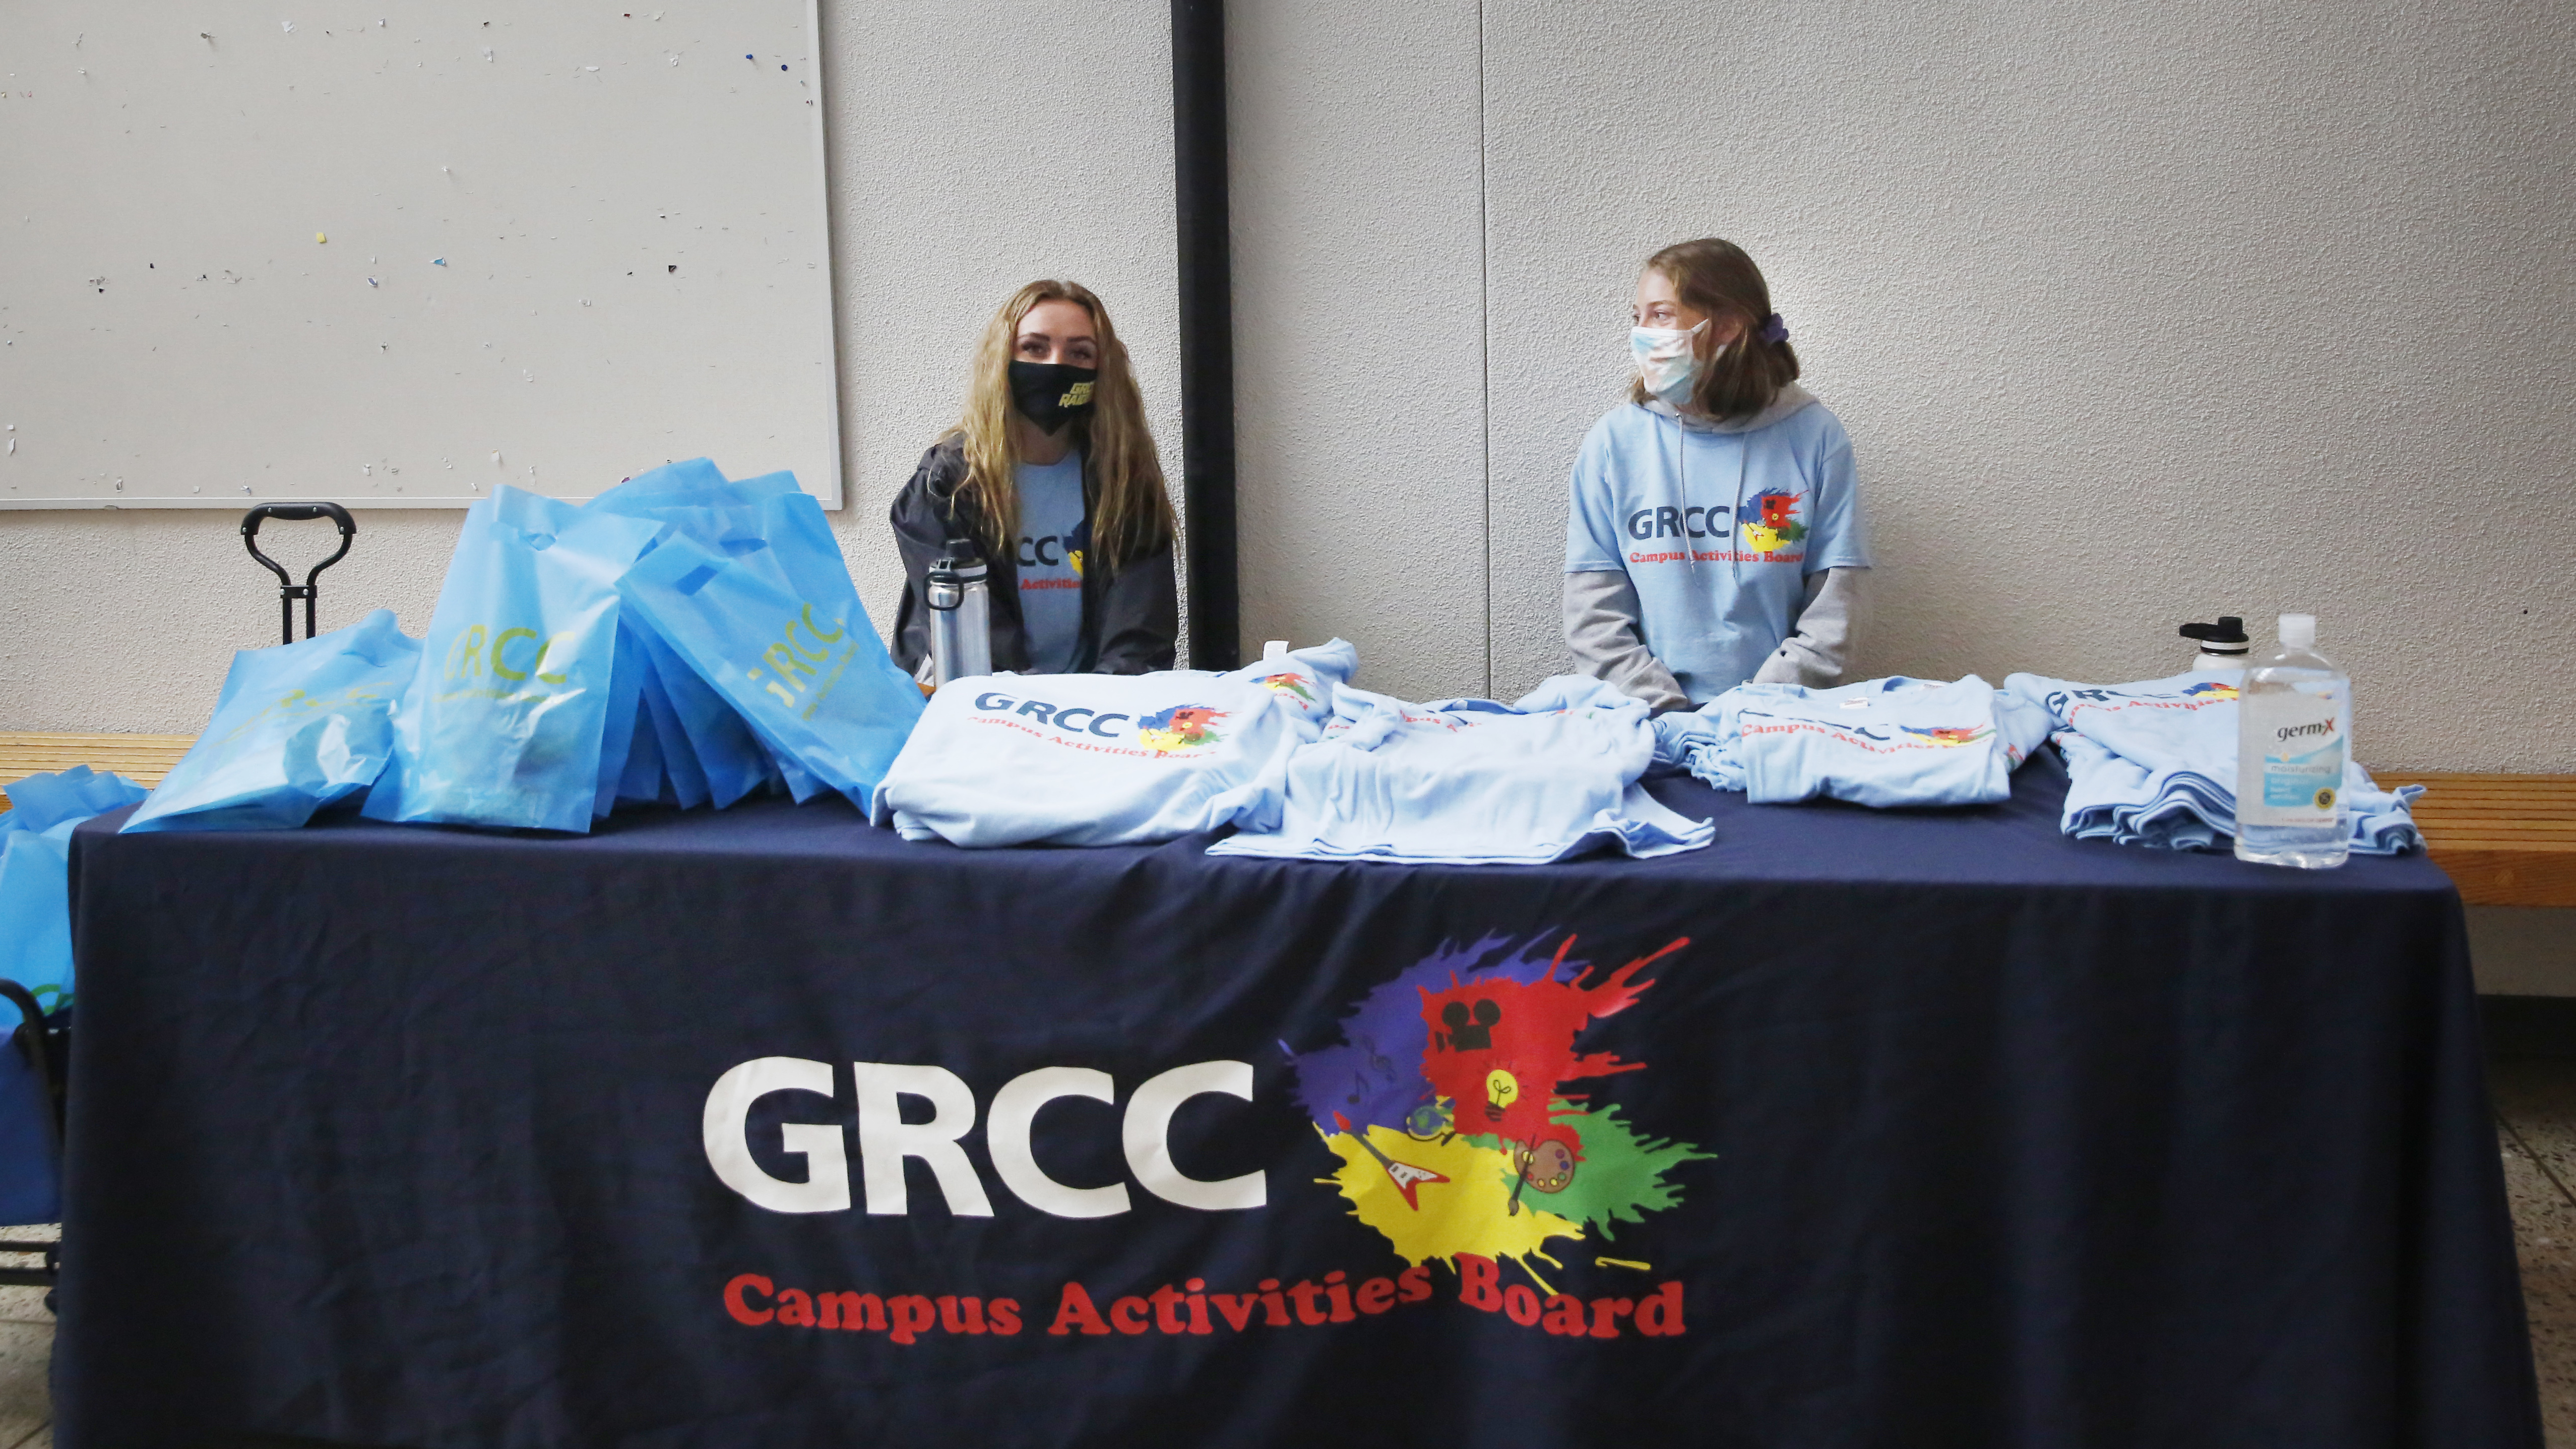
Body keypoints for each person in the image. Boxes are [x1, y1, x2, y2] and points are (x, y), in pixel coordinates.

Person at [1562, 238, 1871, 710]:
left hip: (1780, 722)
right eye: (1637, 316)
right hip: (1650, 725)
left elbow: (1835, 612)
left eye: (1661, 315)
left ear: (1727, 325)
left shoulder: (1814, 436)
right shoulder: (1613, 443)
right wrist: (1672, 718)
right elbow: (1593, 615)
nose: (1642, 333)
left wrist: (1754, 715)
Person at [890, 280, 1177, 679]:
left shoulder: (1124, 481)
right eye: (1034, 348)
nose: (1055, 365)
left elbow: (1140, 635)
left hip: (1094, 710)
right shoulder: (949, 483)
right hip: (984, 708)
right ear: (1003, 358)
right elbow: (971, 638)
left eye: (1080, 353)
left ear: (1101, 371)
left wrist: (1101, 707)